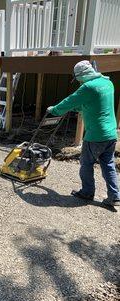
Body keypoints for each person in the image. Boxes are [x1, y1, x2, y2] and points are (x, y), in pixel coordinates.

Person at [47, 60, 120, 207]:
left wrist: (54, 110)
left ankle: (87, 192)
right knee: (108, 164)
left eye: (78, 78)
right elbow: (94, 103)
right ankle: (115, 196)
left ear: (82, 75)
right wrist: (76, 108)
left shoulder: (88, 87)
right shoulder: (107, 84)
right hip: (111, 134)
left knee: (86, 163)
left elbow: (69, 101)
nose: (78, 82)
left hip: (95, 135)